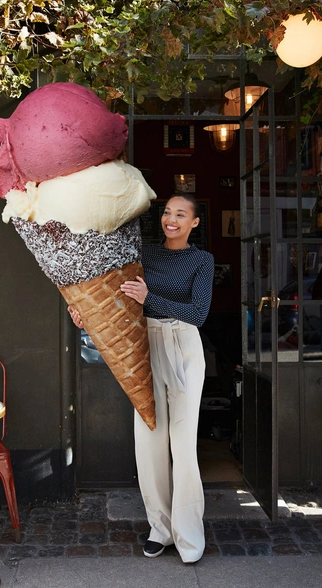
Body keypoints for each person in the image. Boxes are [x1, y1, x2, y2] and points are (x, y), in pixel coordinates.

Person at [69, 193, 214, 564]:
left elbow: (198, 313)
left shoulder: (202, 261)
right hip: (144, 342)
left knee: (182, 445)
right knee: (149, 441)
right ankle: (160, 529)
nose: (172, 219)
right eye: (168, 212)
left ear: (194, 222)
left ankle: (189, 534)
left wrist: (151, 296)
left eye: (181, 215)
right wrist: (84, 311)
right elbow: (116, 296)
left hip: (183, 345)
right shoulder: (144, 255)